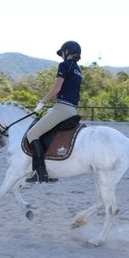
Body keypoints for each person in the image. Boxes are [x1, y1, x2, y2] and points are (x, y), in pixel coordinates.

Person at [26, 41, 83, 183]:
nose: (62, 55)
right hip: (72, 110)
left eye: (63, 52)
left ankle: (40, 173)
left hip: (62, 109)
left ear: (67, 51)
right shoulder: (78, 70)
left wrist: (42, 102)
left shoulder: (64, 65)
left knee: (32, 134)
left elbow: (57, 88)